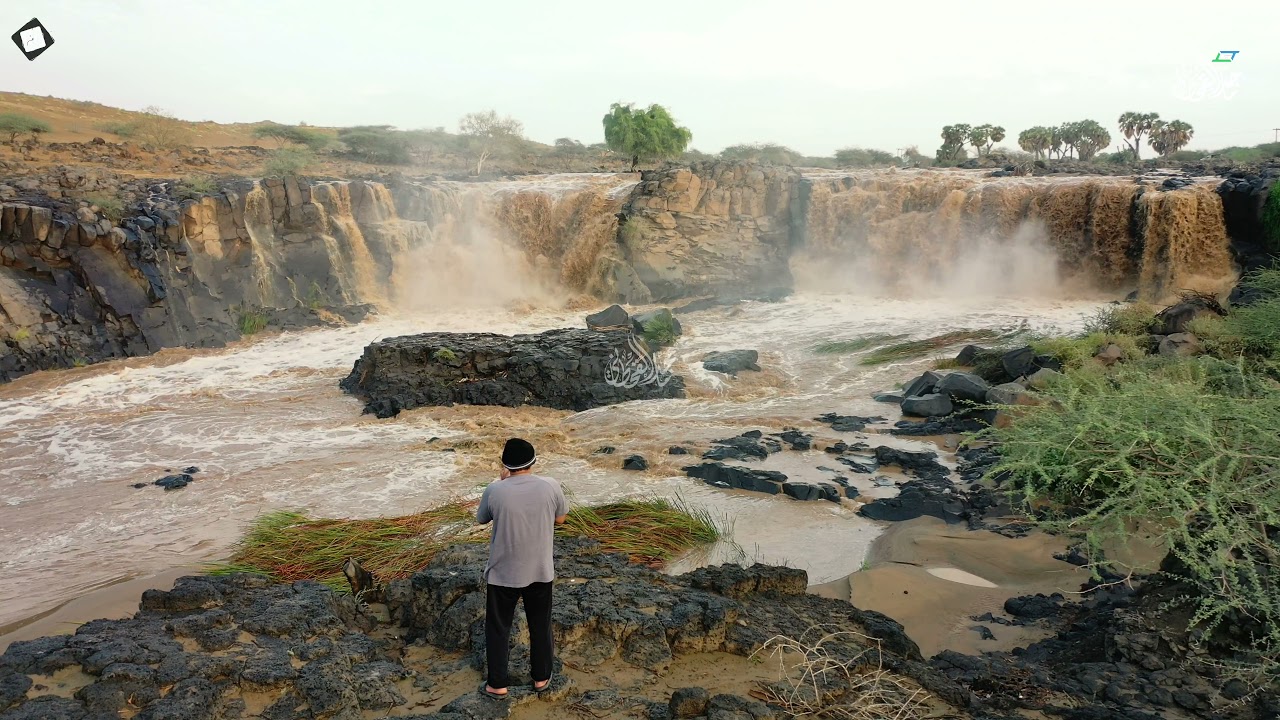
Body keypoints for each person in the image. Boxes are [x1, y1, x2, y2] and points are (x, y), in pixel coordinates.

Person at [475, 437, 568, 697]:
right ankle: (541, 678)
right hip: (540, 570)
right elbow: (561, 519)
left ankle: (497, 684)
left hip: (503, 572)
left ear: (505, 464)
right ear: (534, 461)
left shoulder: (495, 489)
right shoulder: (550, 485)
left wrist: (502, 482)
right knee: (540, 625)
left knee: (498, 628)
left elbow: (481, 519)